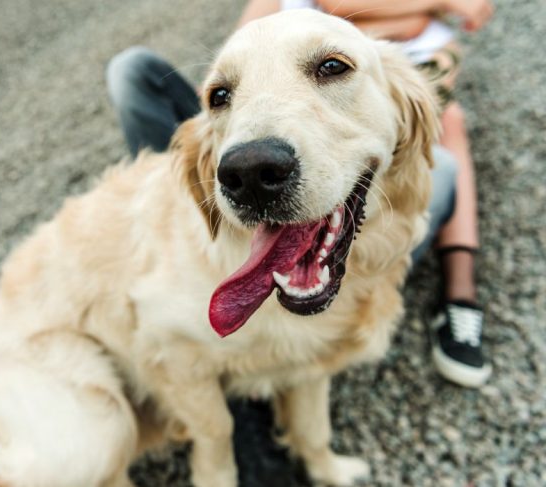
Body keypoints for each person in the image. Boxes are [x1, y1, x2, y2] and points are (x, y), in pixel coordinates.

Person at [105, 0, 492, 483]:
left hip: (376, 123)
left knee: (446, 159)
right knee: (133, 69)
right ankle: (233, 374)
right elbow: (245, 53)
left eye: (331, 66)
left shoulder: (395, 62)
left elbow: (469, 13)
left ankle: (457, 289)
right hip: (261, 118)